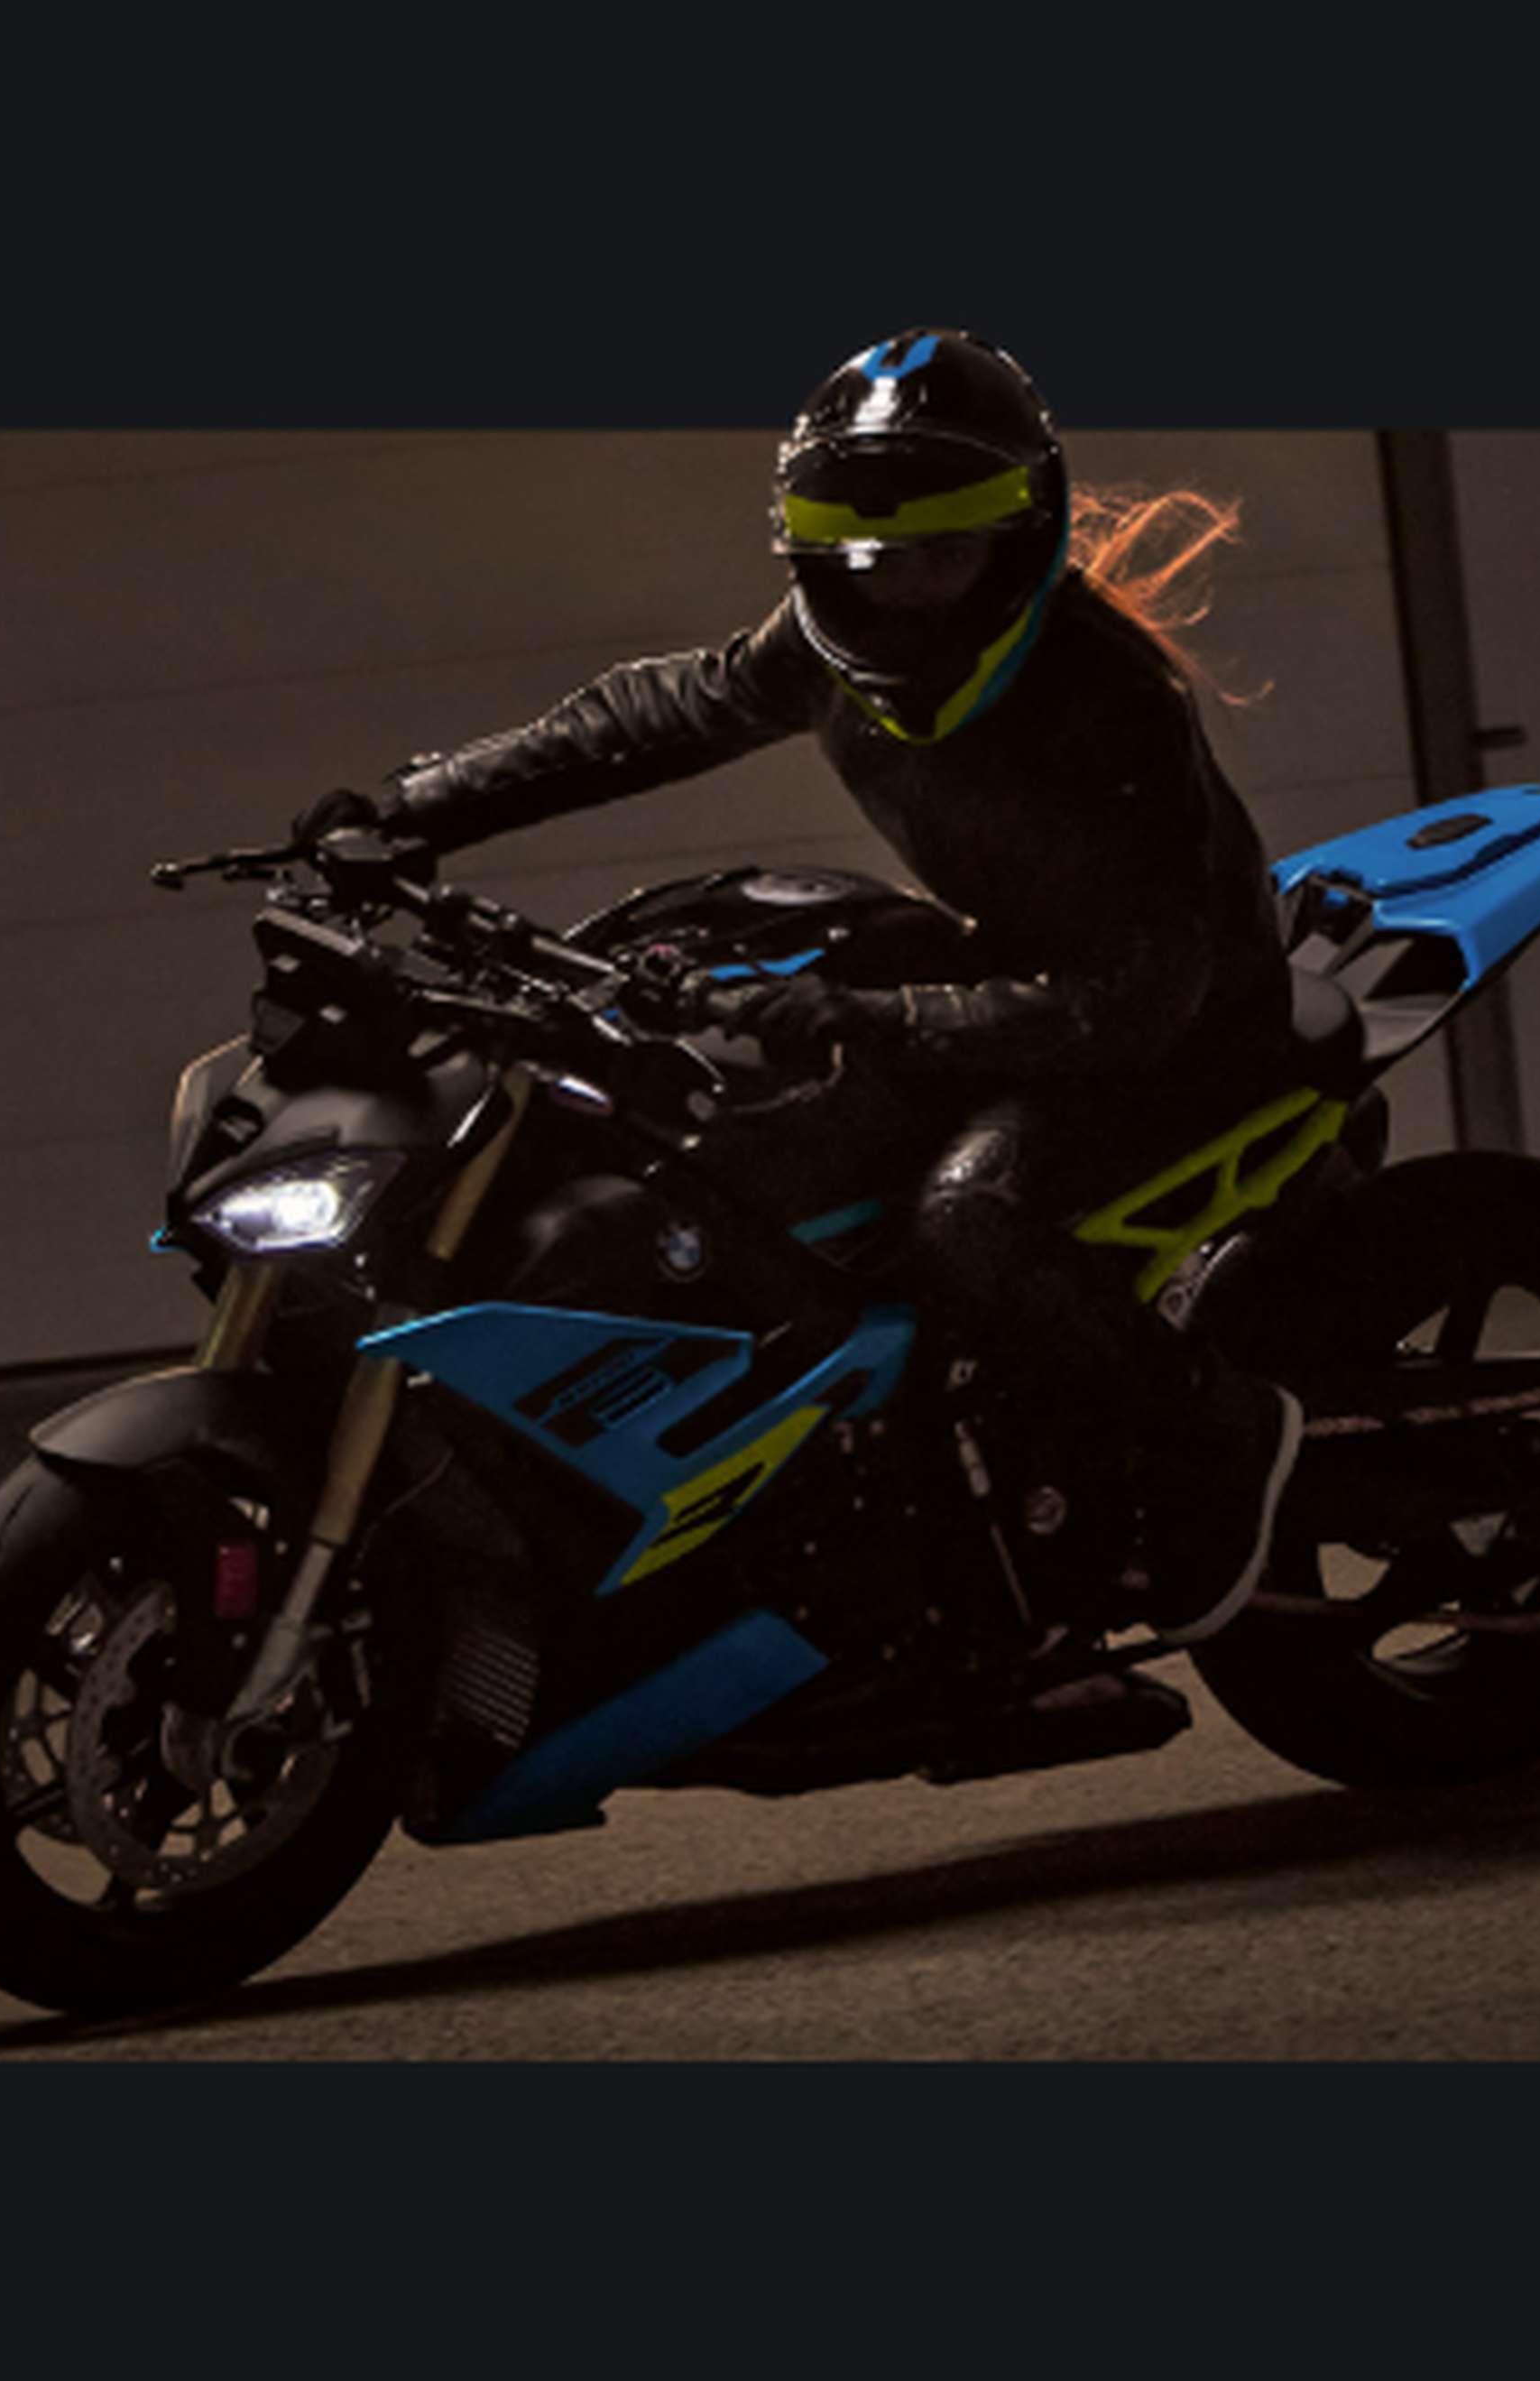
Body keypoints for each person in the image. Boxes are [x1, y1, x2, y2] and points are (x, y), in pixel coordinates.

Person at [299, 327, 1305, 1644]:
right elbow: (655, 714)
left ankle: (1217, 1434)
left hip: (1178, 1032)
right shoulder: (833, 647)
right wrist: (415, 807)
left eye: (939, 557)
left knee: (968, 1222)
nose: (900, 596)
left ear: (1017, 540)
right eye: (866, 560)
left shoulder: (1106, 704)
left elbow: (1129, 1004)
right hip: (1008, 971)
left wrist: (879, 1019)